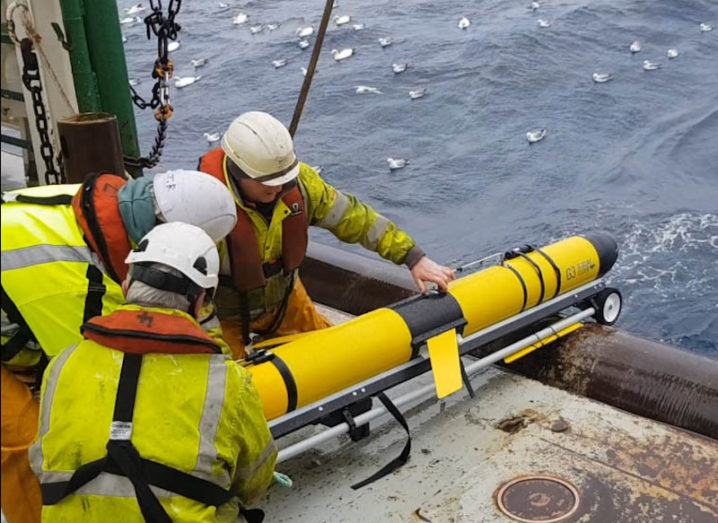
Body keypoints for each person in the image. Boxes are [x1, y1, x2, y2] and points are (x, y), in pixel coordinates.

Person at [1, 170, 237, 523]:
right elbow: (90, 375)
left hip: (20, 312)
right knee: (30, 438)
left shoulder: (107, 210)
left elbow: (197, 310)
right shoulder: (72, 275)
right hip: (36, 310)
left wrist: (220, 360)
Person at [30, 222, 276, 522]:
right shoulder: (227, 382)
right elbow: (255, 480)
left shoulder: (63, 363)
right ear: (200, 303)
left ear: (125, 286)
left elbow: (41, 461)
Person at [199, 111, 455, 356]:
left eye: (283, 180)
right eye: (267, 183)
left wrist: (413, 257)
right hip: (222, 315)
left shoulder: (303, 187)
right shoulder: (204, 207)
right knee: (226, 385)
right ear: (239, 172)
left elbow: (356, 219)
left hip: (285, 301)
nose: (277, 188)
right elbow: (188, 290)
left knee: (334, 357)